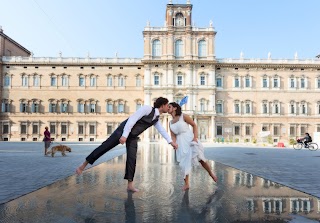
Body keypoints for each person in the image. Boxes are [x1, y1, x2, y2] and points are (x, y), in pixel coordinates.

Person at [76, 97, 178, 192]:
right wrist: (124, 135)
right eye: (167, 105)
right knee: (105, 147)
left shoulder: (156, 118)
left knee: (132, 159)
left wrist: (171, 142)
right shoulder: (147, 109)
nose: (168, 107)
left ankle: (130, 185)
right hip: (123, 130)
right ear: (162, 105)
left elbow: (162, 131)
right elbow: (132, 119)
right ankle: (83, 165)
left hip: (133, 136)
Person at [168, 102, 217, 191]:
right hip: (181, 142)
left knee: (200, 159)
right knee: (184, 163)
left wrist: (195, 138)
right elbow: (173, 135)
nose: (167, 108)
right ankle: (186, 184)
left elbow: (194, 125)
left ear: (175, 108)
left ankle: (211, 173)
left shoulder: (184, 116)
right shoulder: (170, 122)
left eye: (169, 107)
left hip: (189, 139)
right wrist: (174, 143)